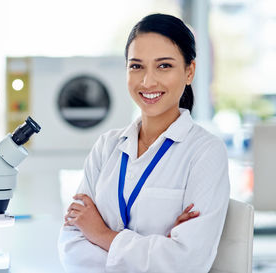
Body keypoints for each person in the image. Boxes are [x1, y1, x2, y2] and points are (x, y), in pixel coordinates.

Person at [57, 13, 230, 273]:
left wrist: (101, 234)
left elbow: (188, 263)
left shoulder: (205, 152)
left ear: (189, 71)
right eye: (136, 66)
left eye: (164, 66)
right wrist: (158, 250)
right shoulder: (107, 147)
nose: (148, 81)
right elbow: (72, 249)